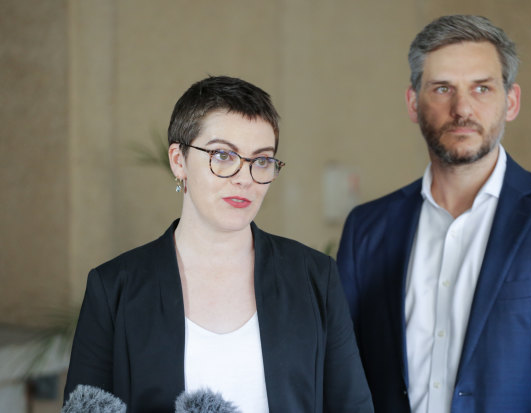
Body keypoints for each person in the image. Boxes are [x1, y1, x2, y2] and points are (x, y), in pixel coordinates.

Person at [337, 15, 531, 413]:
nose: (462, 108)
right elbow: (342, 375)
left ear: (512, 102)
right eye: (442, 88)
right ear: (414, 103)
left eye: (482, 88)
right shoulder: (366, 228)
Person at [64, 76, 373, 412]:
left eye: (262, 160)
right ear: (178, 161)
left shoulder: (314, 277)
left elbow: (352, 406)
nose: (244, 177)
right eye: (223, 155)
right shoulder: (114, 288)